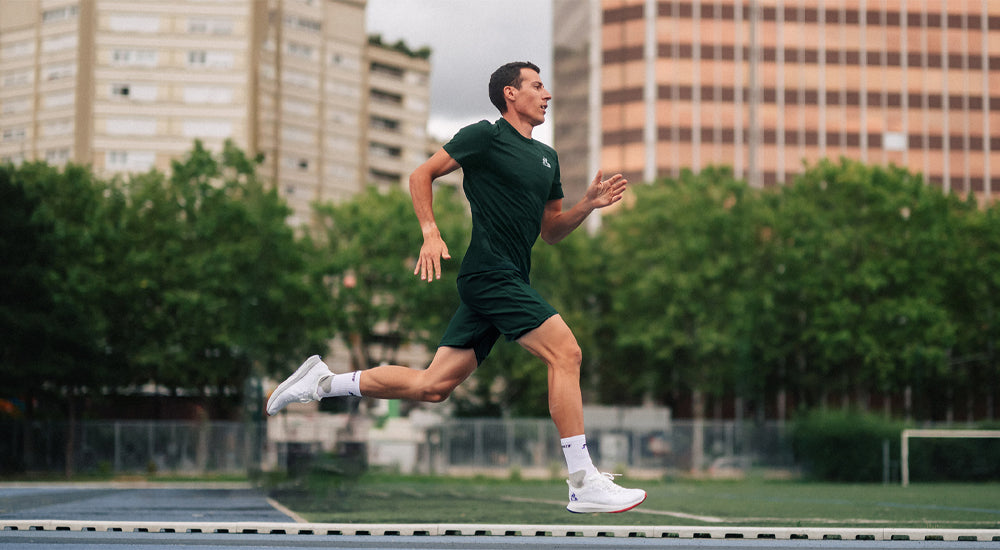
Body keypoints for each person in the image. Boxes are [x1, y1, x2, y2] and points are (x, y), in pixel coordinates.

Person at [267, 61, 646, 513]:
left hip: (507, 279)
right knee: (566, 353)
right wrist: (430, 231)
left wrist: (587, 204)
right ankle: (583, 480)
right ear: (511, 93)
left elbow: (552, 231)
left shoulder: (548, 159)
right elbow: (419, 175)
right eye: (537, 86)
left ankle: (326, 382)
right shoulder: (485, 136)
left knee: (432, 386)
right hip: (489, 275)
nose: (547, 95)